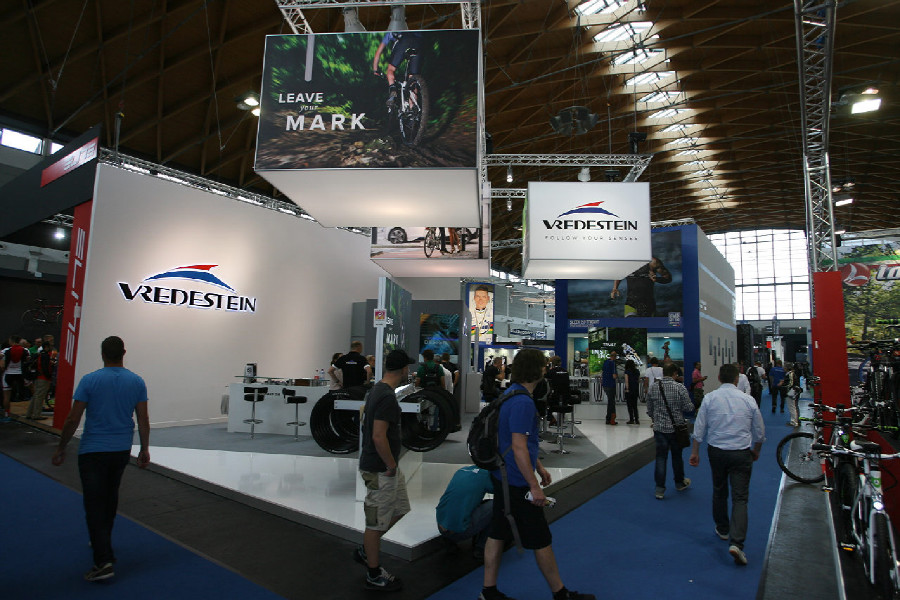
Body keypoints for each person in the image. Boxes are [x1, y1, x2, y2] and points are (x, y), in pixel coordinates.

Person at [480, 348, 594, 600]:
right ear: (535, 369)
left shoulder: (510, 394)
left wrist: (538, 466)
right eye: (543, 365)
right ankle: (560, 593)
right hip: (517, 482)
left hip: (502, 475)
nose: (545, 369)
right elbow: (519, 447)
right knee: (541, 538)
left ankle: (488, 591)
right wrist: (534, 485)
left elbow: (513, 441)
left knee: (498, 532)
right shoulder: (522, 402)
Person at [51, 336, 150, 582]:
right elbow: (143, 419)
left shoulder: (90, 380)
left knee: (94, 503)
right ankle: (102, 541)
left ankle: (103, 560)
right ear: (123, 353)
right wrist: (144, 449)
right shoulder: (137, 381)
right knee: (109, 497)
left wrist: (61, 446)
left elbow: (73, 419)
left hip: (93, 451)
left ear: (102, 354)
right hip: (120, 450)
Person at [689, 363, 765, 566]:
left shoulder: (710, 398)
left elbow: (699, 427)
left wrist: (695, 451)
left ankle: (722, 529)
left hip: (717, 452)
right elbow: (759, 432)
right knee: (740, 498)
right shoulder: (748, 400)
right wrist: (756, 450)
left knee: (719, 490)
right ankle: (737, 543)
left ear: (719, 378)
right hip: (741, 453)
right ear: (737, 379)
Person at [352, 349, 416, 592]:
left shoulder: (378, 390)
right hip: (380, 468)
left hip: (385, 466)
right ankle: (373, 573)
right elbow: (379, 437)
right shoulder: (386, 396)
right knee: (376, 523)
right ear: (403, 370)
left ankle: (367, 550)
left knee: (400, 508)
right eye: (408, 368)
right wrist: (390, 464)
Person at [647, 363, 694, 499]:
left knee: (661, 457)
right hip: (676, 429)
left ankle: (659, 489)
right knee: (677, 456)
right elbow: (689, 407)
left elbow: (649, 408)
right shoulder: (680, 387)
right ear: (675, 374)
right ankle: (679, 482)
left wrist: (655, 418)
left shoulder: (653, 387)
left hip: (660, 429)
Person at [436, 465, 494, 560]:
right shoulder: (486, 476)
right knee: (498, 506)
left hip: (440, 525)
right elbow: (504, 490)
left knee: (467, 501)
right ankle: (481, 547)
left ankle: (448, 538)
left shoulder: (462, 470)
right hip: (459, 531)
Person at [371, 32, 424, 107]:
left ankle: (393, 92)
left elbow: (378, 52)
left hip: (404, 41)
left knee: (390, 69)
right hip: (419, 42)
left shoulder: (390, 32)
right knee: (413, 78)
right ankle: (413, 108)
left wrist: (375, 69)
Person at [1, 336, 30, 421]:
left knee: (6, 396)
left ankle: (7, 414)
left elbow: (2, 364)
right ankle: (32, 410)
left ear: (11, 341)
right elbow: (28, 360)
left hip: (8, 374)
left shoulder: (5, 350)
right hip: (20, 374)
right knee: (32, 390)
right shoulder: (25, 350)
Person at [26, 340, 54, 420]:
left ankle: (29, 413)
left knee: (36, 395)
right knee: (40, 397)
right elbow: (45, 368)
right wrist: (49, 376)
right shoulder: (45, 356)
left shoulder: (39, 354)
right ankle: (36, 415)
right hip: (43, 378)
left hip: (38, 377)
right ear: (46, 347)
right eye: (50, 346)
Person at [782, 363, 803, 427]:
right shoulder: (791, 373)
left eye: (784, 367)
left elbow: (790, 384)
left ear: (787, 368)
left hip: (791, 391)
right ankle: (795, 420)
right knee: (794, 406)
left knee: (792, 406)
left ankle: (794, 421)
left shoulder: (790, 374)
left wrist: (783, 386)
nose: (783, 368)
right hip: (793, 391)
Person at [601, 351, 618, 425]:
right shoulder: (613, 363)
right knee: (611, 403)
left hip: (605, 384)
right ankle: (611, 419)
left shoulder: (605, 362)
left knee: (610, 402)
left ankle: (608, 418)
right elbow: (614, 376)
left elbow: (602, 372)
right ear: (614, 356)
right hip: (611, 385)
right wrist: (617, 376)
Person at [623, 359, 641, 425]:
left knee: (630, 406)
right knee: (635, 405)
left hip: (629, 390)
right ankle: (637, 419)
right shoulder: (637, 371)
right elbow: (638, 380)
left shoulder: (627, 372)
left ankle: (631, 419)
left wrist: (627, 389)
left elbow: (626, 381)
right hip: (635, 389)